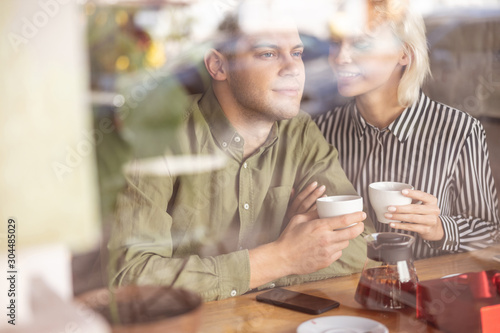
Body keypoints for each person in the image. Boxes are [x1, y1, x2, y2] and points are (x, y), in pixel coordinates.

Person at [109, 3, 373, 302]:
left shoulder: (299, 131)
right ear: (218, 66)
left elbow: (359, 245)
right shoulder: (159, 135)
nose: (293, 69)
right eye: (268, 53)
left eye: (297, 53)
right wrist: (280, 256)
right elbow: (130, 278)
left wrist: (276, 258)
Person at [303, 0, 499, 259]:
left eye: (361, 42)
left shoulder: (460, 131)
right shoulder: (322, 132)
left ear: (404, 54)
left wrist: (441, 228)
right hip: (344, 292)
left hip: (425, 293)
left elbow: (492, 234)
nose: (340, 57)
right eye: (337, 42)